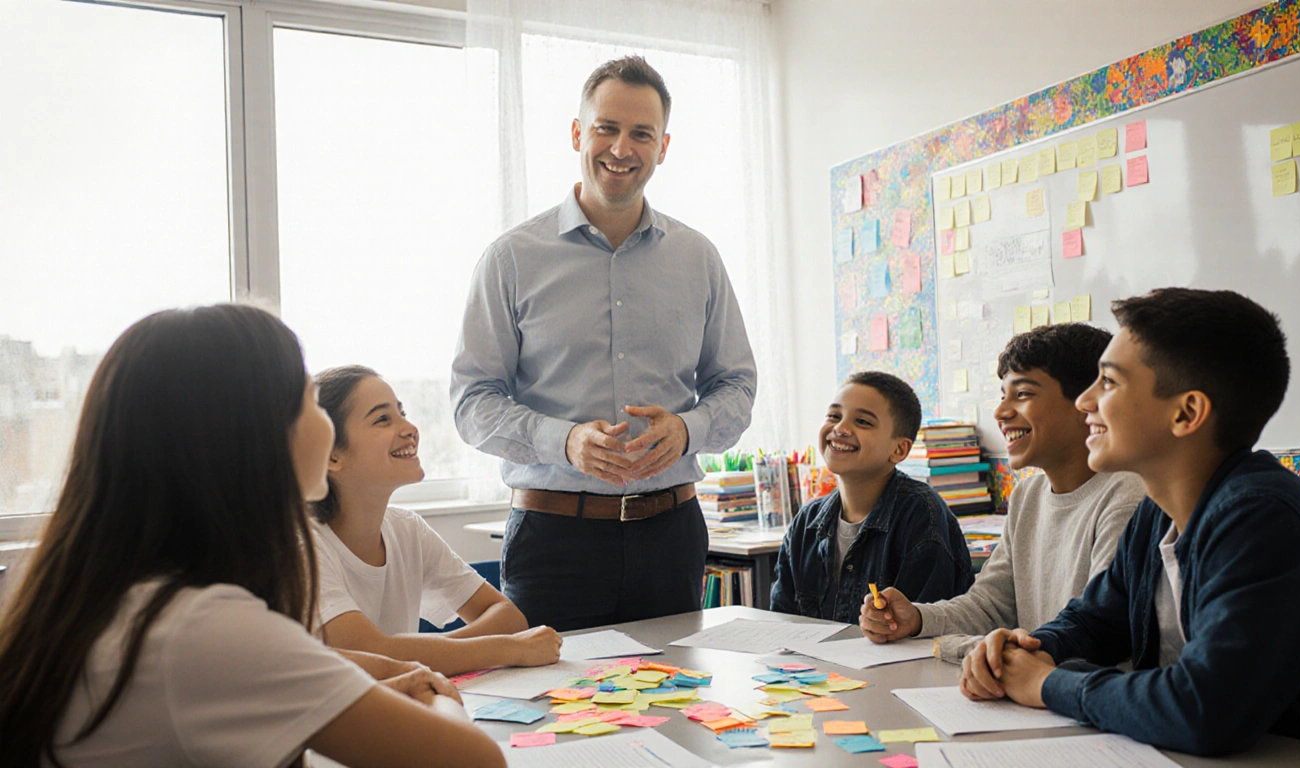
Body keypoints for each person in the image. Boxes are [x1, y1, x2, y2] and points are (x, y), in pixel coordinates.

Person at [0, 305, 505, 768]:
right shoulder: (209, 627)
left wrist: (374, 673)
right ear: (252, 437)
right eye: (308, 400)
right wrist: (433, 692)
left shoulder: (114, 597)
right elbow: (474, 761)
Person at [959, 288, 1300, 755]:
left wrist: (1048, 684)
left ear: (1186, 413)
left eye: (1109, 383)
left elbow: (1204, 709)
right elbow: (1095, 622)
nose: (1084, 402)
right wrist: (1026, 651)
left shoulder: (1263, 520)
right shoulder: (1159, 511)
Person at [451, 56, 756, 631]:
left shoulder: (698, 258)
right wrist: (563, 441)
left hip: (672, 535)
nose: (622, 148)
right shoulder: (511, 258)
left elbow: (736, 385)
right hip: (554, 540)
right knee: (549, 714)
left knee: (676, 712)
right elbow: (471, 402)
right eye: (606, 128)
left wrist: (688, 429)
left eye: (642, 133)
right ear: (576, 133)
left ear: (663, 147)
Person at [858, 324, 1146, 662]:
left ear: (1087, 403)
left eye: (1022, 394)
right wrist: (918, 618)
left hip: (1079, 701)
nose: (1001, 411)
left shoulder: (1126, 497)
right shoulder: (1028, 495)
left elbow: (1092, 635)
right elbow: (990, 605)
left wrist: (954, 647)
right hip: (1030, 694)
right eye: (1002, 395)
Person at [309, 366, 562, 676]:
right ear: (331, 455)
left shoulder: (407, 529)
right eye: (382, 419)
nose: (410, 428)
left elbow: (508, 617)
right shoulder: (302, 545)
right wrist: (505, 649)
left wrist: (434, 654)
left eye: (402, 413)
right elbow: (370, 654)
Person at [771, 371, 974, 624]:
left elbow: (923, 631)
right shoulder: (806, 523)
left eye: (863, 422)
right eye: (834, 416)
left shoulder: (921, 515)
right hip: (817, 664)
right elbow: (783, 623)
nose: (841, 428)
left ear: (899, 449)